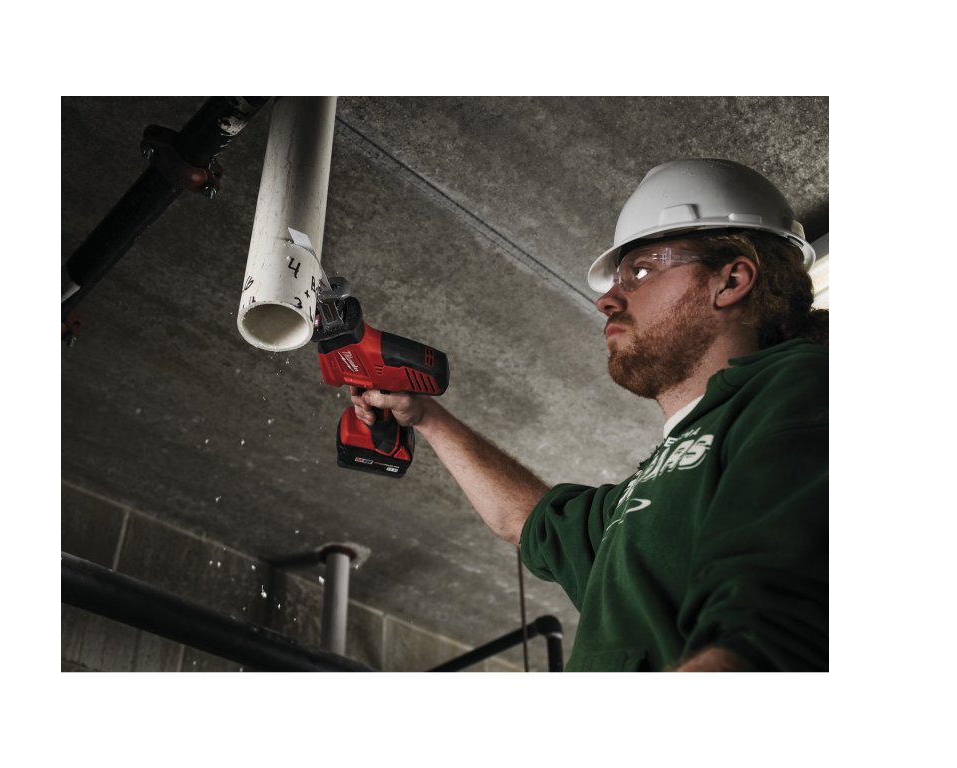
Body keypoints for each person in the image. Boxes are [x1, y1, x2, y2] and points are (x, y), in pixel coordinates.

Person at [352, 158, 829, 672]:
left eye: (640, 271)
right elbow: (528, 522)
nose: (607, 300)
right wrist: (425, 416)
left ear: (730, 280)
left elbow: (777, 626)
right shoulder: (657, 484)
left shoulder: (806, 388)